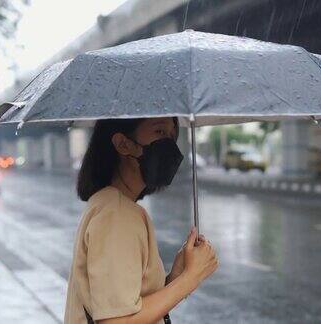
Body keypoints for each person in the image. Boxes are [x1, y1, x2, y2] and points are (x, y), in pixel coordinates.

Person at [64, 117, 219, 324]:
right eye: (160, 132)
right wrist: (190, 278)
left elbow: (129, 303)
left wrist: (175, 277)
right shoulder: (116, 215)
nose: (170, 144)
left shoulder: (112, 204)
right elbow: (116, 321)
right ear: (123, 144)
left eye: (172, 136)